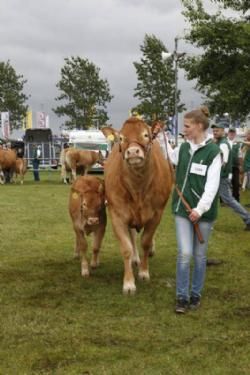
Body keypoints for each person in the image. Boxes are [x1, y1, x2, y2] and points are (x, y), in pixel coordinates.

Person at [166, 106, 222, 313]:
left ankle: (196, 294)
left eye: (187, 126)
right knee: (185, 253)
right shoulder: (183, 148)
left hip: (204, 214)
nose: (185, 130)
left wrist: (200, 209)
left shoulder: (214, 153)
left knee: (200, 256)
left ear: (199, 126)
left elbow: (212, 186)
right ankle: (182, 297)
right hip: (182, 210)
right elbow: (169, 156)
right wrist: (154, 138)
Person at [212, 123, 250, 230]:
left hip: (221, 177)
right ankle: (209, 221)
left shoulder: (223, 144)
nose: (215, 133)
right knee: (212, 198)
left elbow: (224, 162)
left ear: (223, 131)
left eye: (217, 131)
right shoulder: (219, 142)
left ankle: (248, 218)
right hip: (218, 176)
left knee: (228, 199)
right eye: (214, 131)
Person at [227, 127, 241, 201]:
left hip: (235, 166)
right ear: (228, 133)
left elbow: (240, 155)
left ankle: (236, 198)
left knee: (236, 183)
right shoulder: (225, 142)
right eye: (230, 132)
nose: (231, 134)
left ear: (235, 134)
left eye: (233, 132)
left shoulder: (238, 143)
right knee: (226, 182)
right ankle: (224, 199)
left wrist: (240, 165)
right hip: (226, 166)